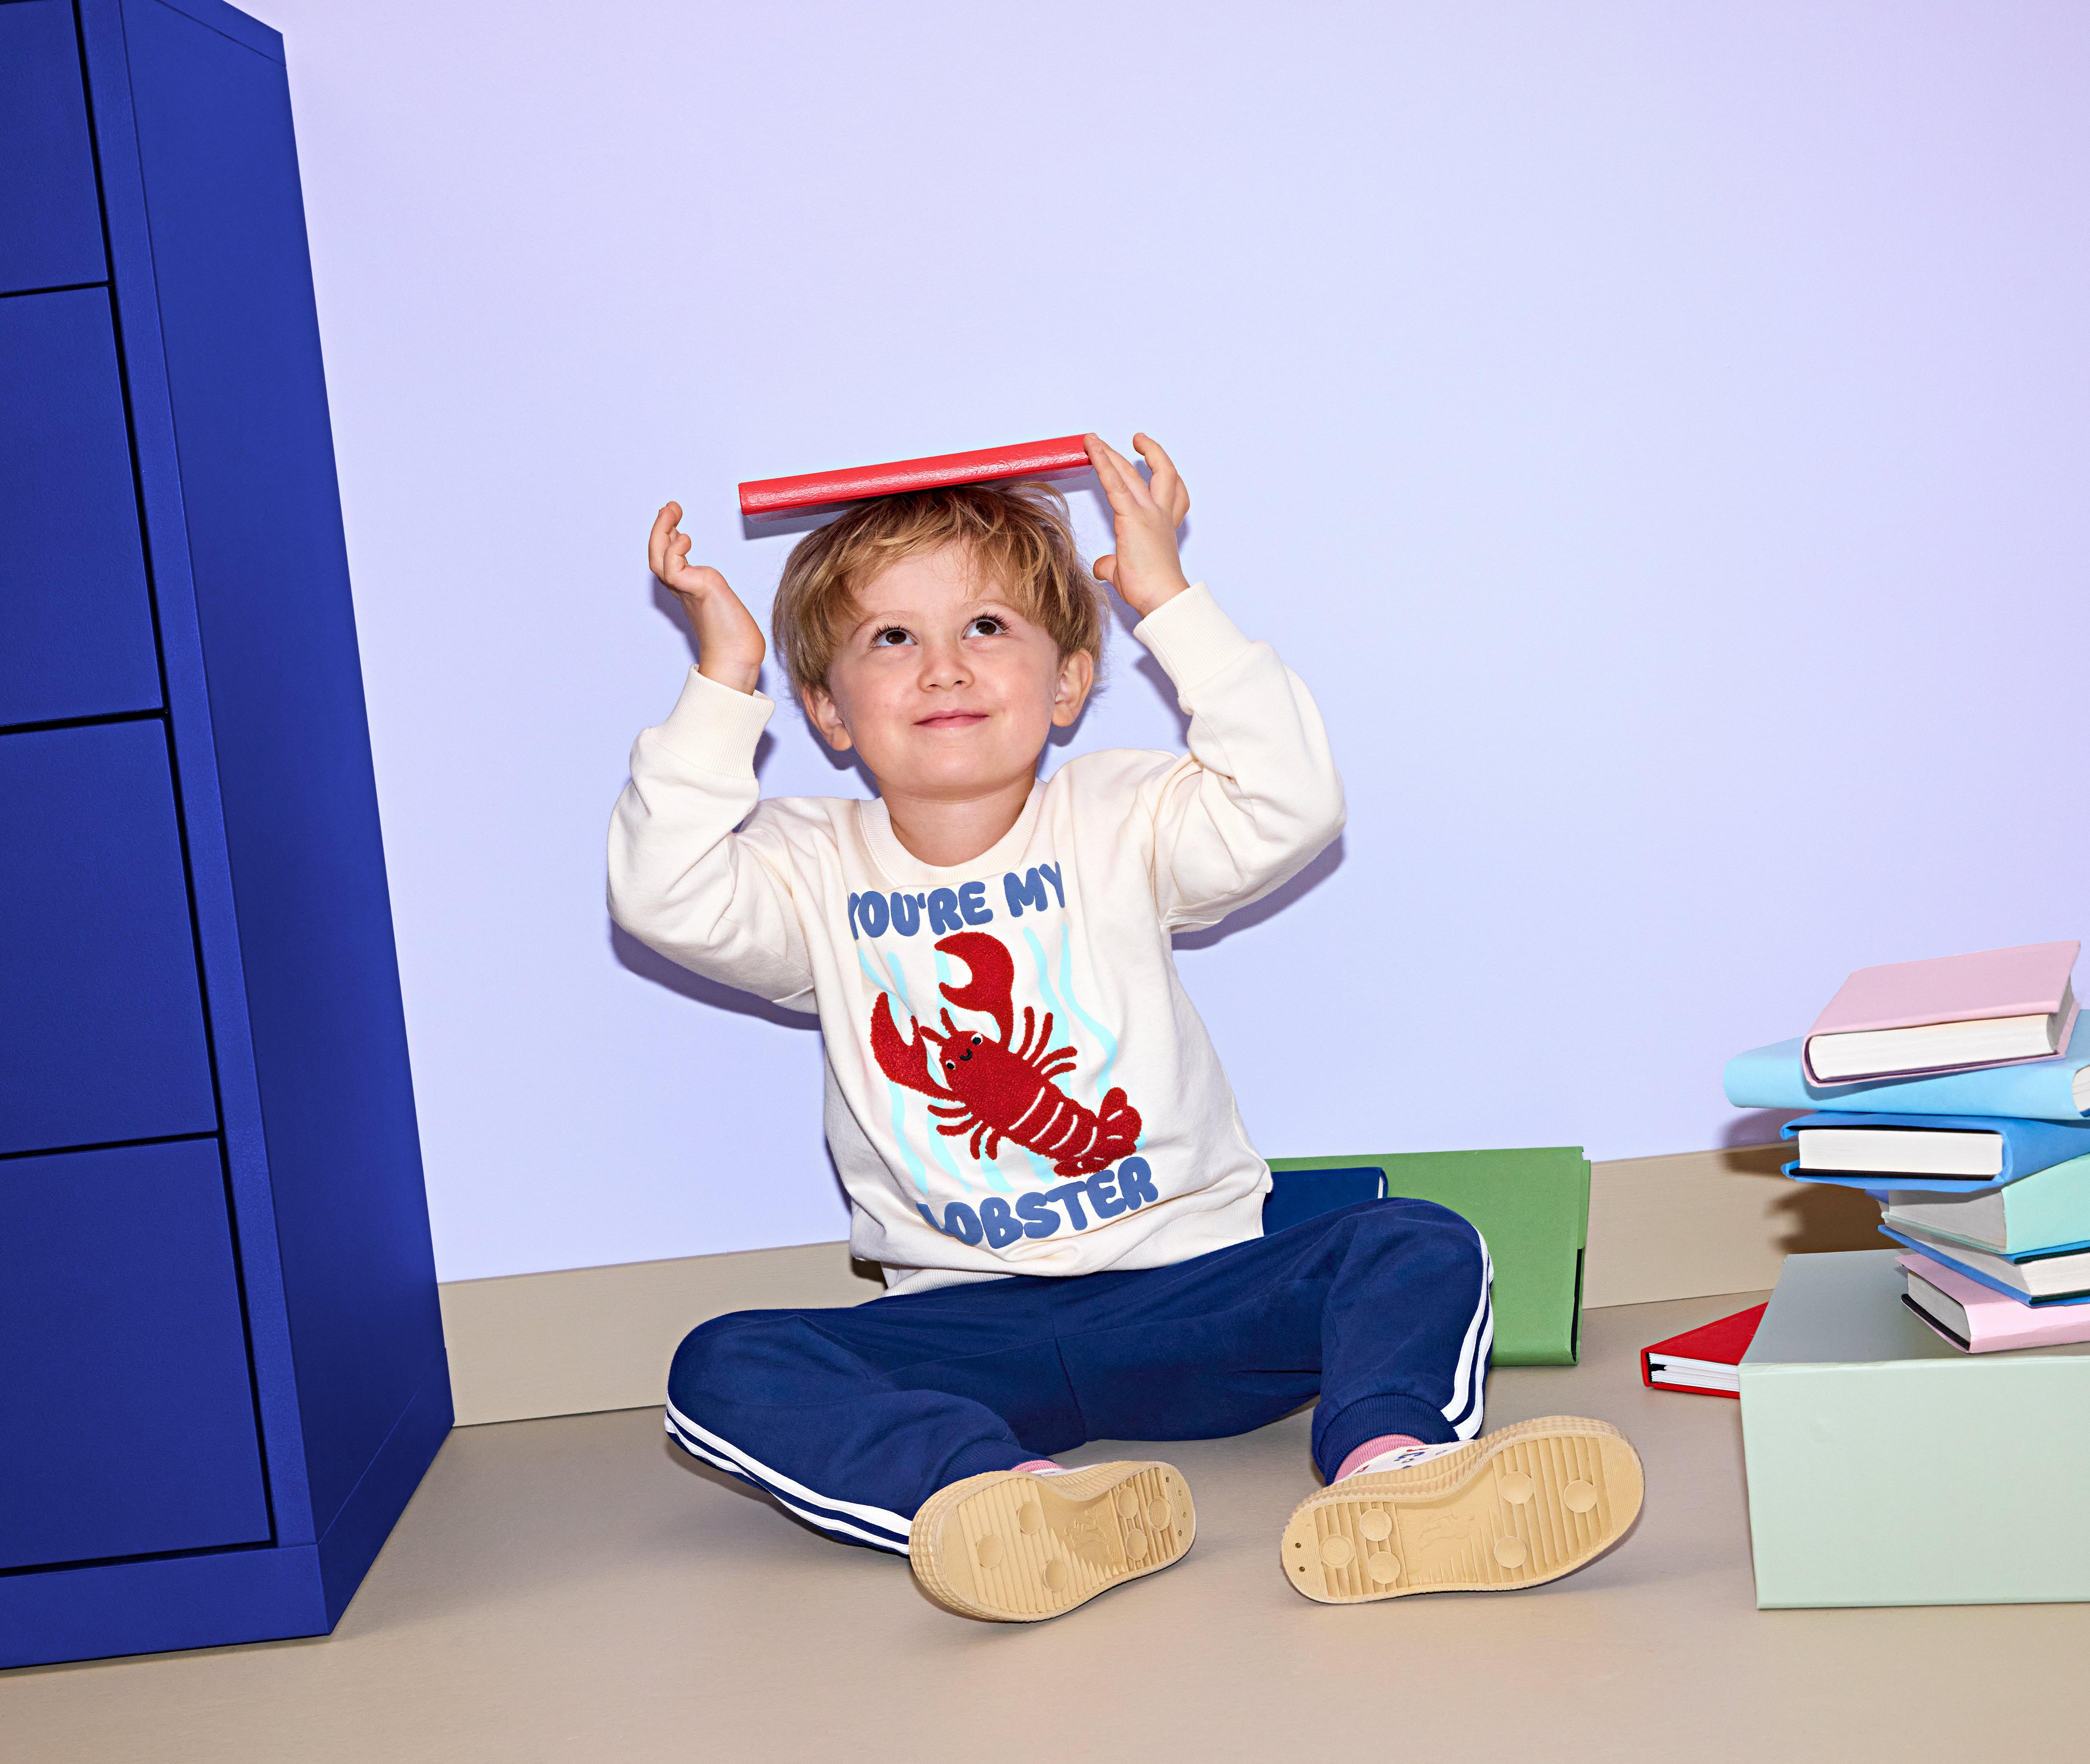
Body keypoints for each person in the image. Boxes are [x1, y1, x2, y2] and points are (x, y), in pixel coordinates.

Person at [609, 432, 1642, 1620]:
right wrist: (720, 679)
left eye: (986, 628)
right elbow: (661, 892)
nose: (943, 668)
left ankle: (1394, 1471)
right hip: (963, 1329)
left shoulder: (1122, 815)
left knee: (1411, 1240)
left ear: (1067, 682)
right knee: (721, 1363)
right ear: (828, 711)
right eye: (892, 639)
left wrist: (1169, 600)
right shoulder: (804, 869)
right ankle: (1009, 1497)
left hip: (1191, 1294)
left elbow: (1291, 802)